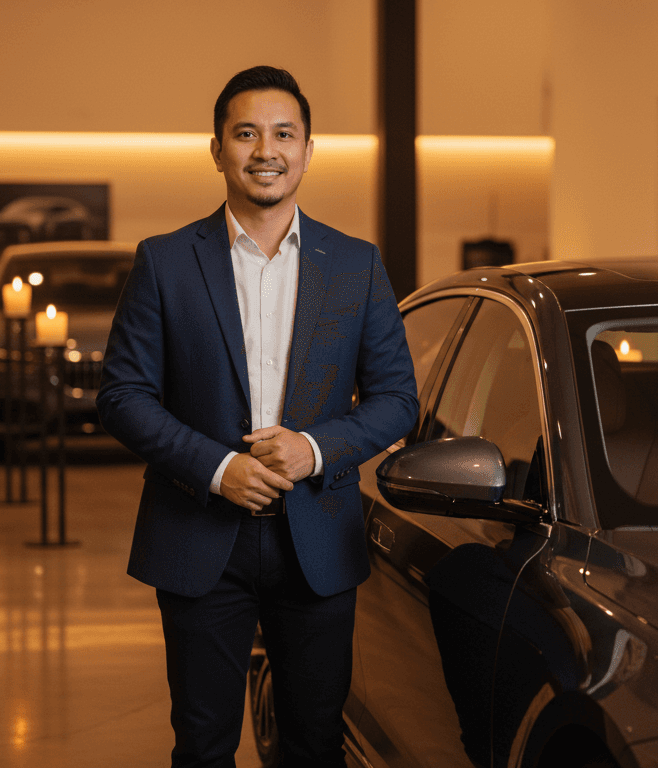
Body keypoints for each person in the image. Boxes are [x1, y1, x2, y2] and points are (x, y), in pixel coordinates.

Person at [97, 65, 418, 768]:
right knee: (203, 746)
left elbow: (398, 398)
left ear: (308, 149)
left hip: (317, 537)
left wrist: (314, 449)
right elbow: (121, 395)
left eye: (283, 134)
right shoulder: (165, 262)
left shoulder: (357, 265)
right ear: (217, 149)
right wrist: (219, 469)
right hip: (199, 534)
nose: (265, 150)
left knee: (315, 745)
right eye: (246, 134)